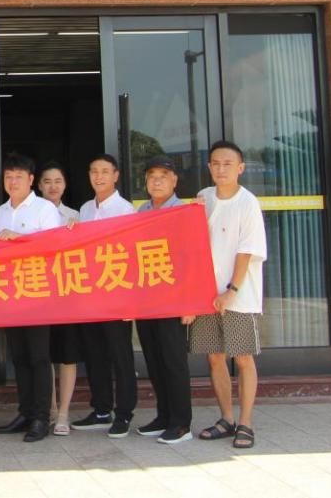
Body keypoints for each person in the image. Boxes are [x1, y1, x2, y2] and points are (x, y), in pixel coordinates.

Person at [188, 140, 267, 451]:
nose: (221, 169)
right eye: (216, 164)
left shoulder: (248, 203)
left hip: (239, 296)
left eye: (228, 164)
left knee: (243, 357)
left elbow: (246, 251)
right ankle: (226, 418)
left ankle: (246, 423)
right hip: (207, 295)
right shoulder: (203, 197)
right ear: (209, 167)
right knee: (214, 356)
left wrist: (231, 291)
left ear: (240, 168)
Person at [0, 153, 65, 443]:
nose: (13, 182)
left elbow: (54, 247)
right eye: (8, 177)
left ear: (31, 180)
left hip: (37, 292)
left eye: (18, 177)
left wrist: (19, 240)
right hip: (10, 294)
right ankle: (25, 412)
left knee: (38, 357)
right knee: (19, 356)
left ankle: (41, 417)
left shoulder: (44, 209)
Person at [72, 153, 138, 438]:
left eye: (104, 171)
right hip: (90, 295)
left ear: (116, 175)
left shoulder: (126, 210)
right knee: (95, 354)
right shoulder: (85, 209)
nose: (98, 177)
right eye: (94, 171)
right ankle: (101, 409)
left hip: (116, 294)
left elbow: (132, 254)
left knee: (120, 356)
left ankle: (124, 413)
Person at [134, 155, 194, 445]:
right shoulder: (142, 211)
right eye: (152, 176)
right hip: (147, 300)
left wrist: (189, 302)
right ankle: (163, 416)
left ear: (174, 181)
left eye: (163, 176)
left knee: (173, 362)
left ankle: (181, 423)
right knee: (154, 360)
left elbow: (191, 259)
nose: (156, 181)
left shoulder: (183, 212)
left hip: (173, 300)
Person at [38, 162, 81, 436]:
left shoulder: (75, 216)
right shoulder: (31, 213)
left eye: (58, 181)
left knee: (66, 355)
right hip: (38, 292)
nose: (53, 186)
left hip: (67, 294)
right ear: (39, 185)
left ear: (65, 185)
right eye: (47, 181)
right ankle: (51, 409)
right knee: (44, 354)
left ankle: (64, 412)